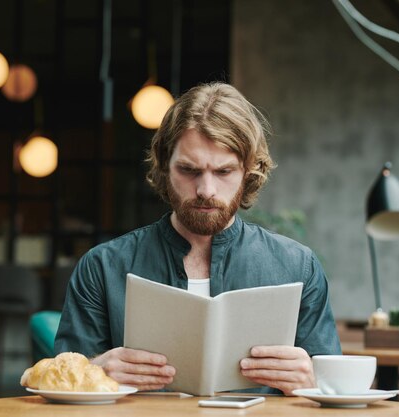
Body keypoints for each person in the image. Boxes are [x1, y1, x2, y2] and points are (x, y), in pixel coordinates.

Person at [54, 82, 341, 395]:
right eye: (189, 170)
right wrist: (94, 372)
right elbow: (58, 390)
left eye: (223, 171)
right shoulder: (103, 267)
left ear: (249, 171)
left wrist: (313, 381)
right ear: (164, 167)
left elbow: (335, 395)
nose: (206, 190)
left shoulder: (298, 267)